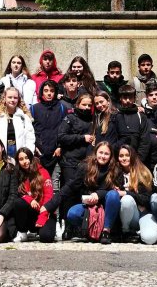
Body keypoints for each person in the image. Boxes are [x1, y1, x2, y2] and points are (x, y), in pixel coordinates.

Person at [43, 141, 119, 244]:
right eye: (100, 152)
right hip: (90, 207)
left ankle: (106, 231)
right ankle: (92, 231)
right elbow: (69, 187)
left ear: (110, 156)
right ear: (95, 153)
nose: (103, 156)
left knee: (113, 194)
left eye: (106, 154)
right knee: (72, 214)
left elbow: (118, 191)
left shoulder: (115, 169)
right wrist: (49, 205)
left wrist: (99, 194)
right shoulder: (85, 167)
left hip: (107, 207)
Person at [55, 93, 95, 232]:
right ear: (78, 105)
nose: (87, 108)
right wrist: (82, 138)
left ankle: (82, 225)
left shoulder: (93, 119)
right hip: (70, 161)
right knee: (69, 193)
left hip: (87, 161)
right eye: (84, 104)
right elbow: (62, 137)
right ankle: (68, 225)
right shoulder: (70, 118)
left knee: (84, 192)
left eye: (89, 105)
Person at [112, 145, 157, 244]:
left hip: (143, 212)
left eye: (127, 155)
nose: (124, 158)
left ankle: (140, 231)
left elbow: (146, 199)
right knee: (126, 200)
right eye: (121, 156)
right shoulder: (115, 173)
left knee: (150, 239)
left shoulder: (143, 173)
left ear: (132, 156)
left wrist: (125, 192)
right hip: (125, 215)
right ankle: (126, 232)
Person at [11, 148, 56, 243]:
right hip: (29, 212)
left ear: (31, 158)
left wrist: (43, 216)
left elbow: (49, 196)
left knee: (46, 238)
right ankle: (22, 232)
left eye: (26, 158)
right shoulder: (17, 174)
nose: (24, 162)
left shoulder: (43, 172)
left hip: (45, 211)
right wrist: (29, 199)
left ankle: (41, 230)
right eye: (21, 159)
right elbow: (16, 193)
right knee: (18, 202)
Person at [30, 80, 67, 188]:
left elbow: (64, 129)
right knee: (39, 184)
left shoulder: (61, 107)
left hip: (55, 153)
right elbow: (30, 129)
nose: (49, 93)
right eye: (46, 91)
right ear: (42, 92)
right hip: (39, 153)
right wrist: (34, 145)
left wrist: (60, 146)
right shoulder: (34, 108)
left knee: (54, 184)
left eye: (52, 90)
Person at [0, 87, 36, 159]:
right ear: (4, 98)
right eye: (10, 97)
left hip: (20, 152)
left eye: (15, 98)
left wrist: (29, 154)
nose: (12, 100)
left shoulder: (24, 117)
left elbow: (30, 137)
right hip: (2, 151)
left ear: (18, 100)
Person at [115, 85, 151, 161]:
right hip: (117, 160)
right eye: (125, 98)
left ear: (134, 98)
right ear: (120, 98)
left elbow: (145, 141)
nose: (128, 100)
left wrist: (138, 160)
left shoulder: (141, 116)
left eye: (130, 98)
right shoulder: (114, 115)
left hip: (136, 160)